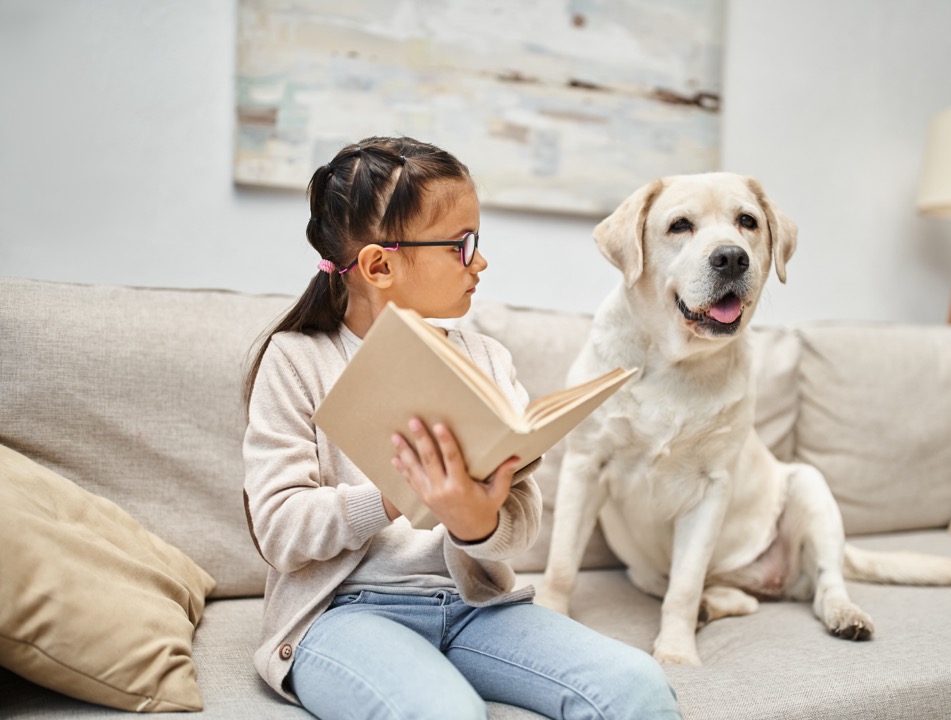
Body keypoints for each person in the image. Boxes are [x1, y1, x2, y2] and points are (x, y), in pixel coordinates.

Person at [242, 136, 681, 720]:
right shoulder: (297, 360)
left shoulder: (489, 361)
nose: (480, 261)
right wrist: (399, 495)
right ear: (380, 265)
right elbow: (280, 531)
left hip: (475, 606)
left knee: (638, 685)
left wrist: (476, 522)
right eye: (461, 244)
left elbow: (519, 523)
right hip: (343, 614)